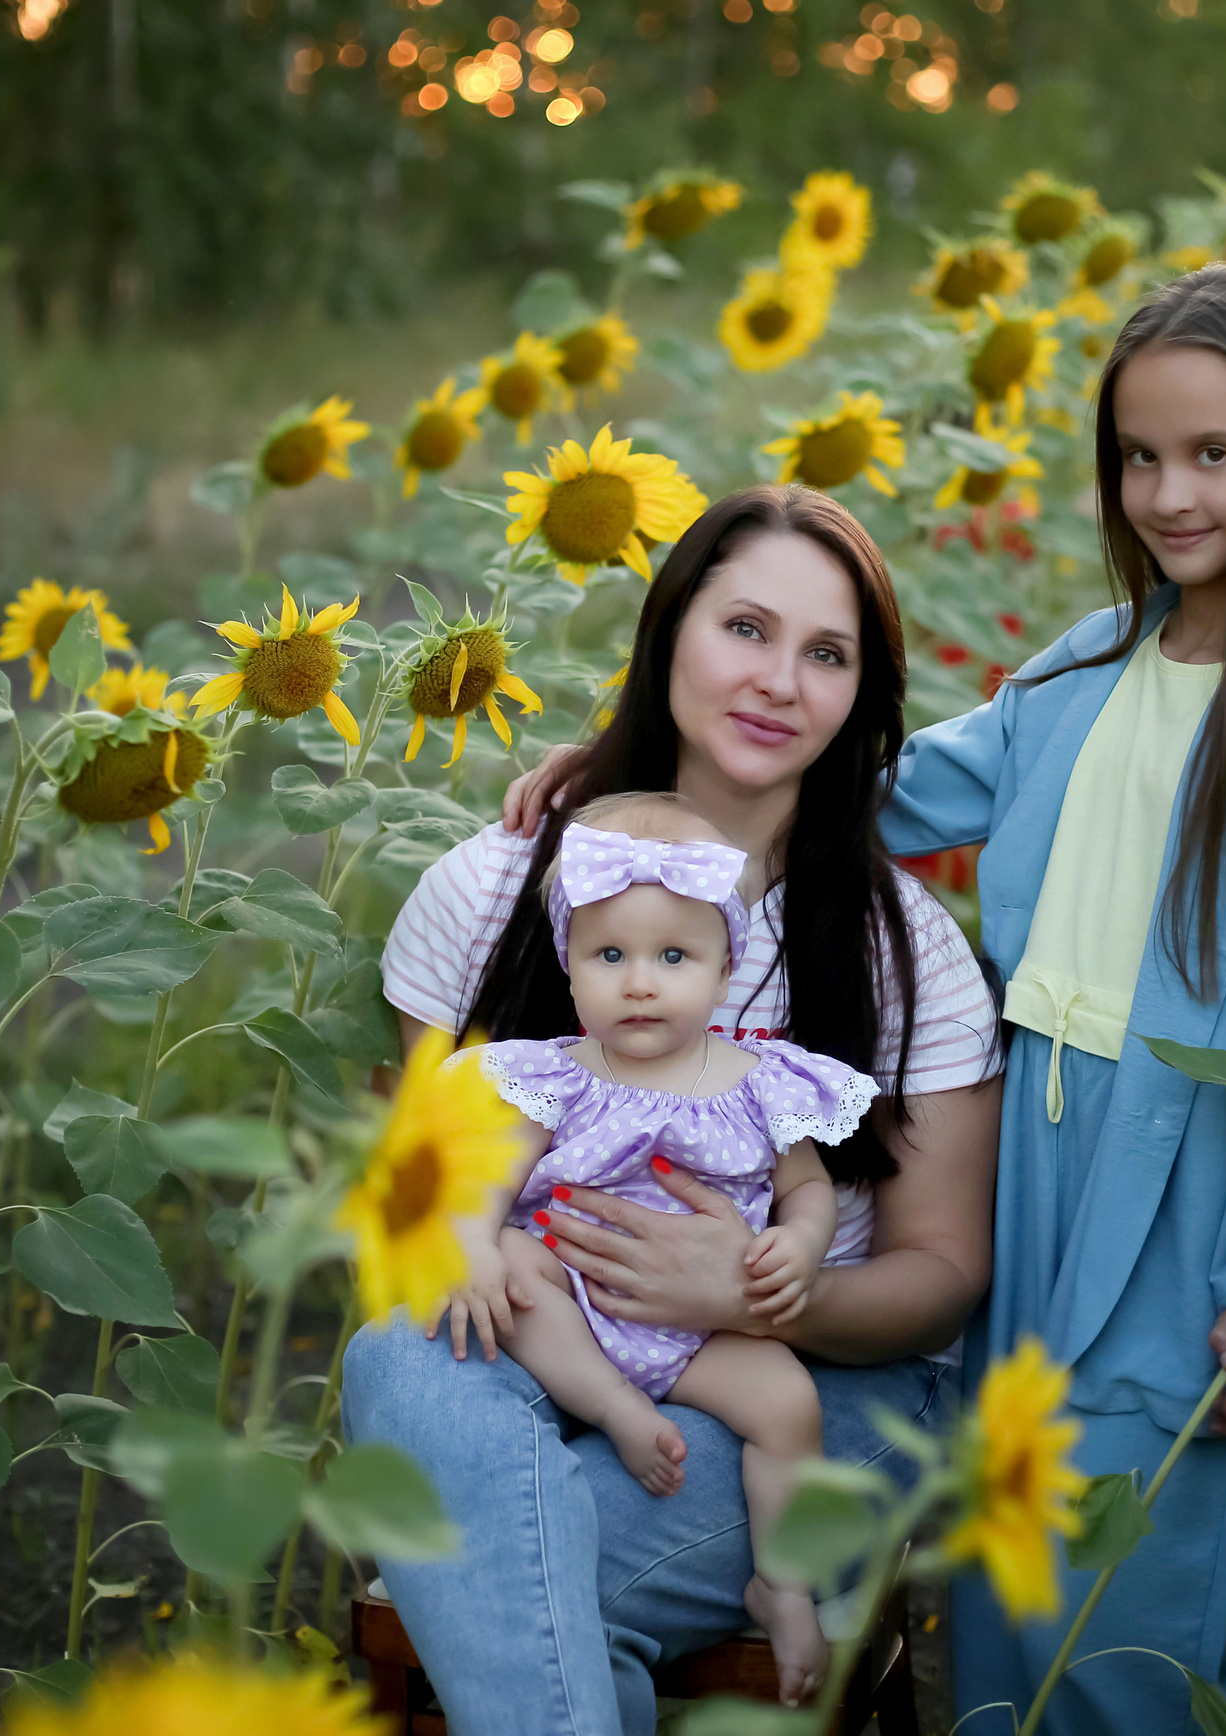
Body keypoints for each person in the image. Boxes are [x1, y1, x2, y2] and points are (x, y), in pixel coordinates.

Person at [507, 262, 1226, 1731]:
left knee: (1149, 1568)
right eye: (1138, 457)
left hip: (1188, 1160)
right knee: (1013, 1529)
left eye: (1214, 455)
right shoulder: (1088, 666)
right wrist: (627, 784)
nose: (1169, 494)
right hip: (1034, 1137)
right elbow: (871, 782)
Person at [345, 483, 1005, 1736]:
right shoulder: (492, 891)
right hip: (536, 1352)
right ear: (669, 636)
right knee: (398, 1361)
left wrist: (765, 1291)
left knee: (524, 1594)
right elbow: (418, 1208)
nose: (778, 681)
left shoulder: (900, 951)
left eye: (826, 655)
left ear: (862, 698)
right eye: (744, 629)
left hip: (812, 1394)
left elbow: (943, 1273)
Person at [446, 792, 880, 1705]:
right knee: (519, 1273)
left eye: (673, 956)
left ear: (726, 970)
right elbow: (488, 1183)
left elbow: (805, 1190)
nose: (640, 982)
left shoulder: (761, 1081)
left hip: (700, 1328)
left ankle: (783, 1581)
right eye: (610, 956)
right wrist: (473, 1242)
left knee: (788, 1404)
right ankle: (608, 1408)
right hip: (575, 1297)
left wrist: (799, 1247)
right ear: (570, 971)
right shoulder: (557, 1077)